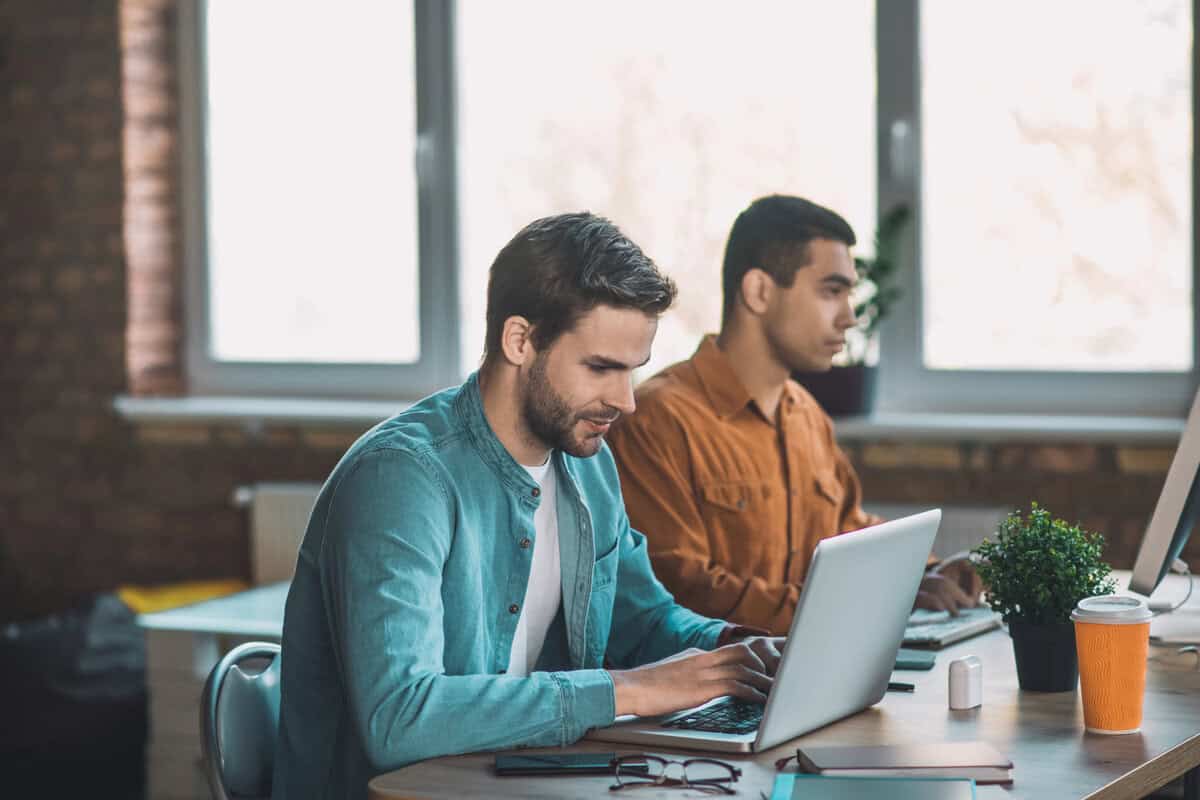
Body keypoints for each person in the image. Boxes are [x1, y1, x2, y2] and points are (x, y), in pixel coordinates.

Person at [272, 212, 783, 800]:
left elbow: (642, 622)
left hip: (510, 782)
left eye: (632, 372)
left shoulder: (587, 461)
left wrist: (739, 650)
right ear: (520, 340)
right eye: (600, 368)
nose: (626, 402)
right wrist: (632, 691)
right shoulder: (402, 477)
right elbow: (401, 717)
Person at [606, 195, 981, 636]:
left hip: (816, 668)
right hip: (718, 685)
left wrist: (927, 574)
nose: (849, 317)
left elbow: (848, 533)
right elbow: (681, 591)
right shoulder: (657, 419)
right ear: (760, 291)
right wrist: (866, 603)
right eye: (832, 291)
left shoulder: (806, 415)